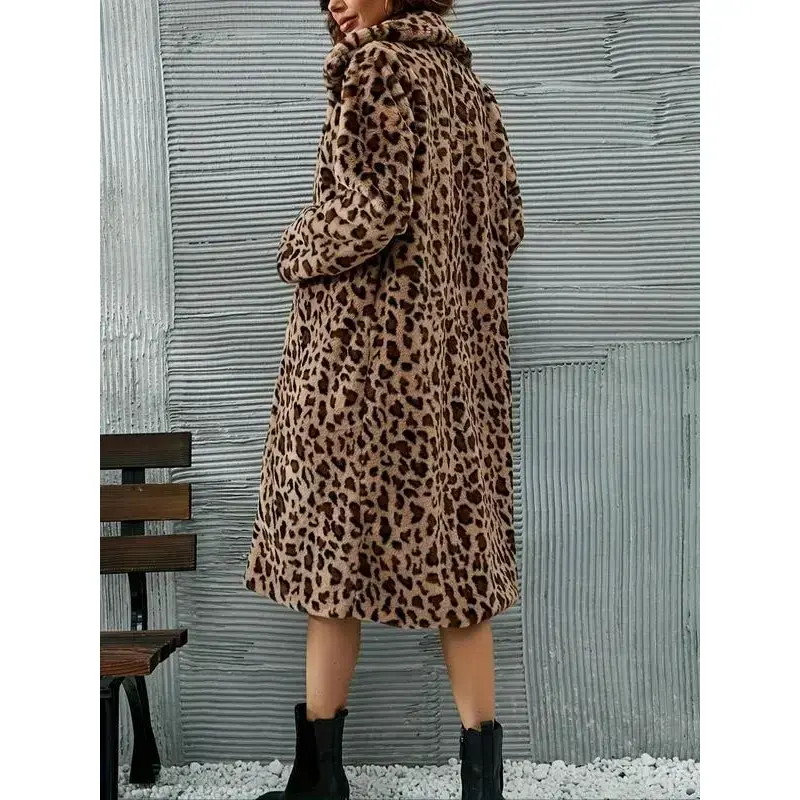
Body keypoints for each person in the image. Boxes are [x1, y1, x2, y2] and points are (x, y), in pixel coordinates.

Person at [244, 1, 525, 798]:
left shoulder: (375, 66)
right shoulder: (465, 80)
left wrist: (295, 247)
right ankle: (482, 787)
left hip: (359, 371)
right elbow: (507, 218)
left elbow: (372, 207)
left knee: (333, 562)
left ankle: (320, 782)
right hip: (452, 374)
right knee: (460, 574)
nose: (336, 0)